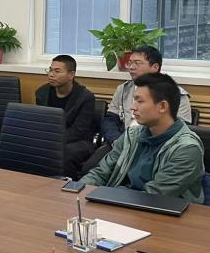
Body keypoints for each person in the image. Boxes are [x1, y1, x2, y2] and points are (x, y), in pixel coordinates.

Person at [80, 73, 204, 203]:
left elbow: (154, 196)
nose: (132, 107)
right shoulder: (132, 135)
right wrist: (78, 191)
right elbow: (101, 172)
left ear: (162, 106)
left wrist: (108, 195)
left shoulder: (187, 148)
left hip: (160, 210)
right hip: (122, 201)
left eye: (139, 101)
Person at [101, 45, 192, 143]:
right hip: (122, 142)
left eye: (137, 63)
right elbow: (110, 120)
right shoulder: (124, 89)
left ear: (155, 67)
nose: (131, 67)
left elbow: (179, 130)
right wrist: (116, 140)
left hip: (157, 144)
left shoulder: (176, 94)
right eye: (130, 63)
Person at [34, 55, 96, 179]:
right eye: (50, 70)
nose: (51, 74)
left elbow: (79, 131)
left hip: (79, 141)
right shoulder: (42, 92)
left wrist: (54, 141)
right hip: (50, 137)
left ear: (71, 75)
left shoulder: (85, 97)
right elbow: (41, 122)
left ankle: (67, 185)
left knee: (65, 153)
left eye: (57, 71)